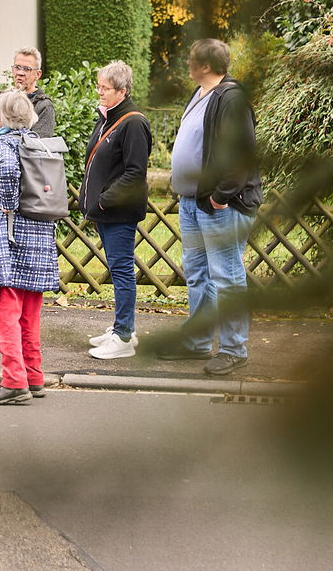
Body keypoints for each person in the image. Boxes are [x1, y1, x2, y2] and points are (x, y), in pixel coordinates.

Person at [163, 38, 263, 376]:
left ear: (205, 66)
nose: (186, 65)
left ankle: (234, 349)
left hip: (221, 204)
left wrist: (221, 196)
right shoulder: (203, 93)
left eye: (191, 60)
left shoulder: (232, 97)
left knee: (227, 276)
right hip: (193, 201)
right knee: (197, 275)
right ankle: (197, 342)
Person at [0, 90, 60, 405]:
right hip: (38, 236)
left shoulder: (4, 143)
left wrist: (9, 204)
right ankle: (33, 377)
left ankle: (13, 381)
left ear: (2, 116)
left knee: (5, 312)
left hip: (9, 238)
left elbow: (9, 171)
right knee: (29, 314)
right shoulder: (38, 144)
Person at [0, 47, 55, 334]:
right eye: (16, 67)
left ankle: (12, 315)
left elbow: (32, 150)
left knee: (15, 254)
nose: (19, 73)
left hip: (18, 197)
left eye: (26, 69)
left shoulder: (43, 106)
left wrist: (2, 178)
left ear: (37, 74)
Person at [79, 61, 153, 361]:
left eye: (105, 88)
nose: (100, 93)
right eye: (99, 87)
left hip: (119, 211)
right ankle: (123, 327)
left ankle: (123, 335)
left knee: (122, 272)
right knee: (118, 269)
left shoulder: (133, 123)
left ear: (122, 90)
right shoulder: (108, 118)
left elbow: (135, 172)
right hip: (106, 211)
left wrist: (103, 200)